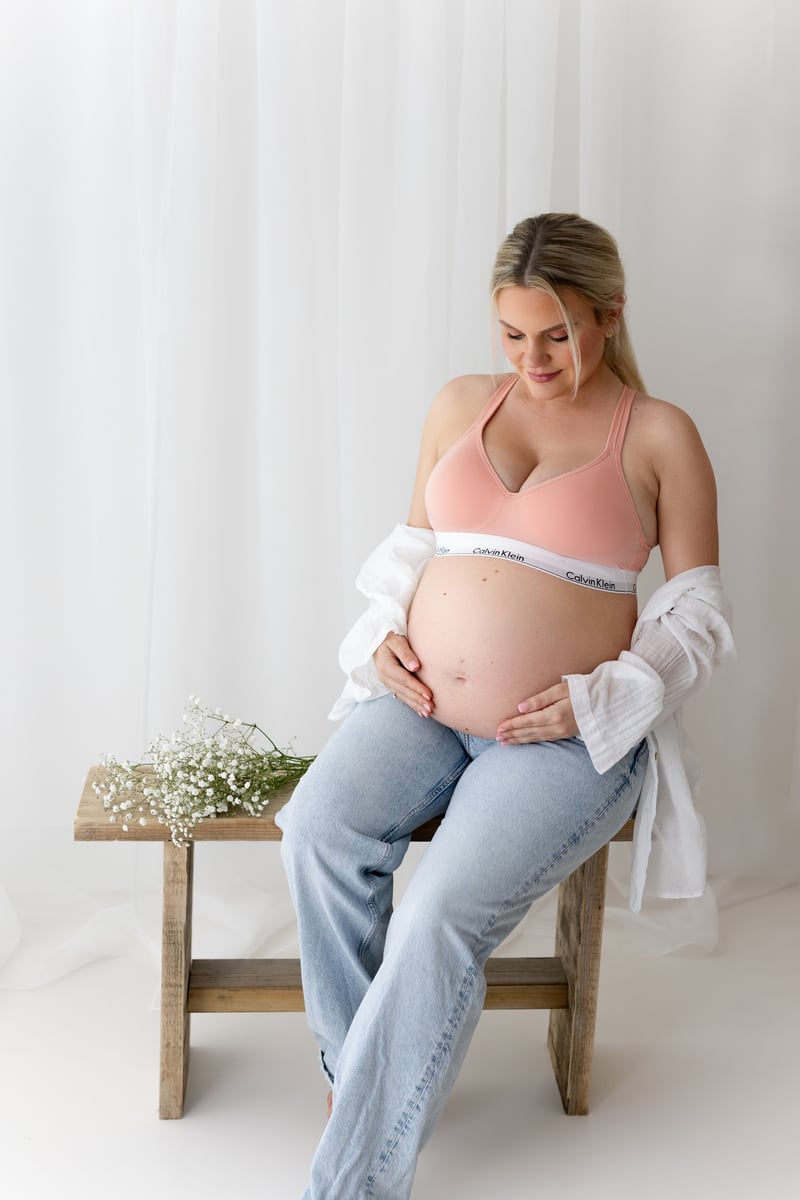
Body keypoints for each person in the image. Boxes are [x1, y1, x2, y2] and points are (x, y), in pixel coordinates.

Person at [276, 212, 734, 1200]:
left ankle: (349, 1180)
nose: (532, 358)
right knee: (316, 825)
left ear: (608, 316)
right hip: (420, 704)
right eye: (513, 334)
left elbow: (695, 611)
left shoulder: (655, 434)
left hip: (562, 736)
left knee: (437, 914)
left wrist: (601, 698)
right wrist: (380, 641)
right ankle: (358, 1078)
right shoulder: (458, 406)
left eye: (557, 335)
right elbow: (407, 553)